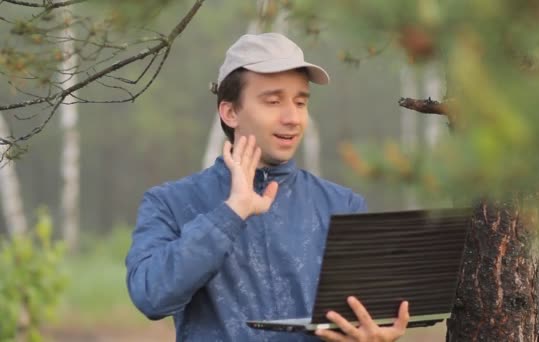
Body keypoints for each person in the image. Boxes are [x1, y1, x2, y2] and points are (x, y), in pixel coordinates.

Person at [125, 32, 409, 341]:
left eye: (300, 102)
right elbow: (149, 295)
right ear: (230, 112)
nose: (293, 118)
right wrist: (231, 212)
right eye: (273, 101)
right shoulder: (170, 202)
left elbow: (362, 316)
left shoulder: (342, 206)